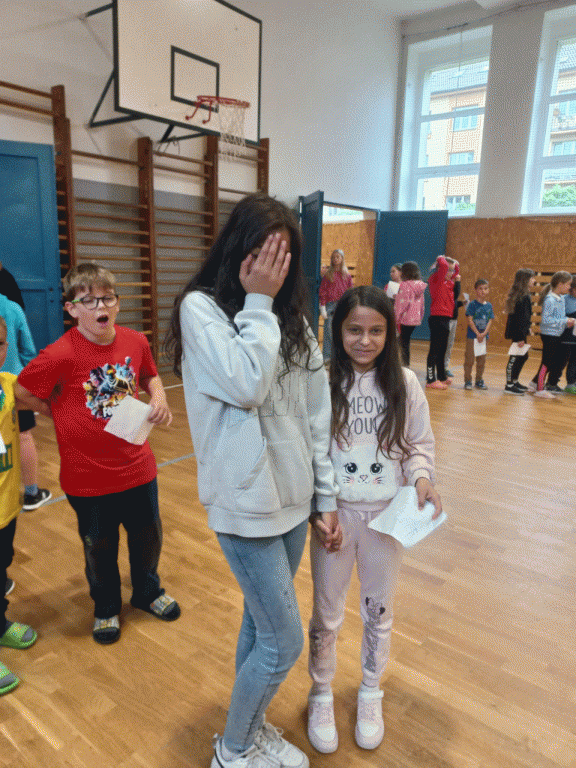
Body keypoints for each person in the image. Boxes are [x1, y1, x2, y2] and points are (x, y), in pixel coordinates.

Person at [165, 194, 340, 768]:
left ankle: (249, 729)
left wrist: (324, 495)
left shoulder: (291, 321)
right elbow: (247, 384)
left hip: (294, 502)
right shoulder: (201, 310)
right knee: (283, 641)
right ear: (238, 248)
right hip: (245, 504)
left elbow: (315, 413)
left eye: (283, 257)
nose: (272, 266)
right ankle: (234, 750)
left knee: (260, 626)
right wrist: (259, 301)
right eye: (263, 251)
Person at [306, 285, 442, 754]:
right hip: (336, 519)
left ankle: (370, 690)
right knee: (326, 613)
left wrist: (421, 479)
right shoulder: (322, 382)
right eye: (354, 330)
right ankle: (321, 690)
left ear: (391, 333)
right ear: (338, 330)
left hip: (387, 519)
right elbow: (313, 452)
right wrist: (320, 509)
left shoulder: (405, 383)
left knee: (378, 611)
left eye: (376, 331)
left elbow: (418, 444)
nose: (365, 340)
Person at [15, 263, 179, 645]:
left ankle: (147, 592)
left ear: (117, 304)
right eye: (88, 300)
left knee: (148, 537)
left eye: (107, 298)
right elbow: (22, 391)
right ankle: (106, 606)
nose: (100, 306)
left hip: (138, 468)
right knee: (99, 549)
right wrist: (52, 409)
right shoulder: (59, 354)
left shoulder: (135, 341)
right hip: (87, 479)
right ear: (72, 309)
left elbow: (149, 374)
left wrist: (158, 395)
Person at [0, 315, 38, 696]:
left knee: (1, 567)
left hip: (5, 506)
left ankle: (0, 624)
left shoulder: (9, 385)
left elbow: (52, 400)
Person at [0, 293, 51, 510]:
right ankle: (31, 492)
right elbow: (28, 351)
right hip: (14, 386)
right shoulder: (12, 308)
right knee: (23, 436)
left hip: (13, 386)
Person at [529, 271, 575, 398]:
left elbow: (558, 318)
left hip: (556, 335)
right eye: (568, 284)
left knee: (550, 362)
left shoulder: (560, 298)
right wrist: (565, 321)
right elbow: (546, 320)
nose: (569, 287)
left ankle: (534, 384)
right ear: (560, 284)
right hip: (549, 335)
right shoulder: (550, 300)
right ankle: (540, 390)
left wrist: (567, 322)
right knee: (546, 363)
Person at [426, 255, 459, 389]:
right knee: (434, 350)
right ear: (440, 269)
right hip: (437, 319)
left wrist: (455, 266)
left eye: (452, 270)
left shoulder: (448, 283)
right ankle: (430, 380)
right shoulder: (436, 280)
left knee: (442, 350)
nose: (450, 273)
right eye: (447, 270)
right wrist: (441, 258)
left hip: (446, 319)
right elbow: (444, 266)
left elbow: (455, 272)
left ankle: (441, 376)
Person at [503, 269, 535, 395]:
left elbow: (525, 317)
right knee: (514, 358)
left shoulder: (524, 295)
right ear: (525, 280)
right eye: (532, 278)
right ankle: (509, 385)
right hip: (518, 333)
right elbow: (520, 319)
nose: (534, 280)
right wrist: (521, 336)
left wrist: (528, 328)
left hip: (521, 331)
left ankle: (515, 381)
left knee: (523, 356)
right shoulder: (522, 297)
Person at [319, 249, 353, 362]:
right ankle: (327, 356)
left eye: (338, 257)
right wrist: (322, 306)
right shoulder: (328, 275)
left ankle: (340, 356)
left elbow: (350, 291)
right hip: (330, 305)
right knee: (328, 331)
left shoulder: (347, 275)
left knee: (341, 330)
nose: (335, 259)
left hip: (342, 305)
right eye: (333, 257)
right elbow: (323, 291)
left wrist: (350, 304)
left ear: (342, 259)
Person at [394, 261, 427, 366]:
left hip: (405, 319)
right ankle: (405, 364)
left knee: (403, 342)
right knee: (404, 341)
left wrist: (395, 317)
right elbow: (422, 304)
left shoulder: (405, 285)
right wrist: (420, 317)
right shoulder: (420, 285)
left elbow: (401, 304)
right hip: (414, 319)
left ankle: (404, 364)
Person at [463, 279, 494, 391]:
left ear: (488, 290)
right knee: (469, 360)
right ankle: (467, 381)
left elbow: (490, 320)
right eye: (480, 289)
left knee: (481, 361)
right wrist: (477, 333)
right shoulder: (472, 304)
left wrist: (484, 334)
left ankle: (479, 380)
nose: (483, 291)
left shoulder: (489, 305)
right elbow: (470, 320)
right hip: (473, 337)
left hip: (483, 338)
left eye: (485, 288)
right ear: (476, 290)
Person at [444, 275, 467, 377]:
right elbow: (454, 297)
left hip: (454, 320)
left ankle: (445, 366)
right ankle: (440, 367)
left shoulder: (452, 292)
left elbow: (454, 302)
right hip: (446, 320)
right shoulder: (444, 288)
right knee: (443, 344)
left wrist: (462, 303)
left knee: (449, 344)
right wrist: (458, 282)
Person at [561, 275, 576, 394]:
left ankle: (573, 383)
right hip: (567, 336)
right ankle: (552, 383)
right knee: (563, 361)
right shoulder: (564, 299)